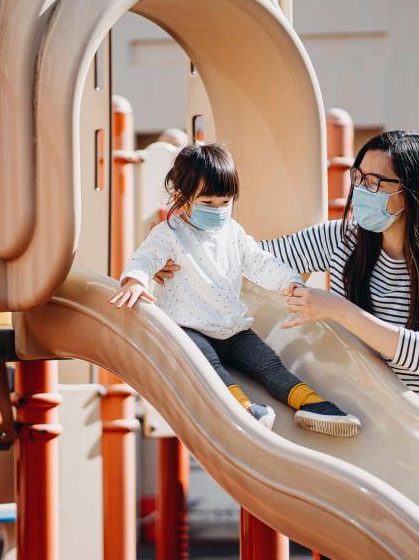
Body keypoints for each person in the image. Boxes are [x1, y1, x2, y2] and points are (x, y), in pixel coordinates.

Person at [154, 131, 419, 560]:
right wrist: (176, 261)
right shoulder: (341, 239)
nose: (363, 188)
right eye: (360, 176)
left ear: (414, 191)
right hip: (348, 417)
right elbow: (244, 261)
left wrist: (339, 310)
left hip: (414, 429)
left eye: (378, 181)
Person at [108, 143, 362, 437]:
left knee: (270, 365)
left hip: (232, 328)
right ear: (181, 198)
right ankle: (244, 409)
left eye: (225, 202)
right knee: (209, 367)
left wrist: (289, 282)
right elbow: (145, 258)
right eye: (208, 202)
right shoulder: (169, 235)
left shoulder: (234, 233)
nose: (218, 210)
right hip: (189, 329)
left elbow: (261, 262)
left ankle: (314, 405)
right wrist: (135, 279)